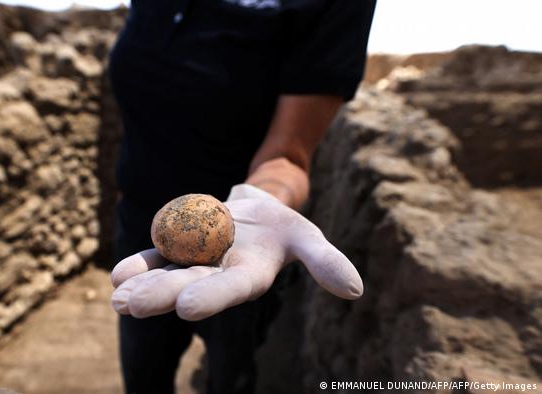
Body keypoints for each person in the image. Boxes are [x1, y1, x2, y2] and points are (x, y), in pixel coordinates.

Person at [107, 1, 376, 393]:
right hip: (137, 231)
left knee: (232, 377)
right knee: (143, 373)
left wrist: (260, 197)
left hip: (243, 243)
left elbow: (288, 155)